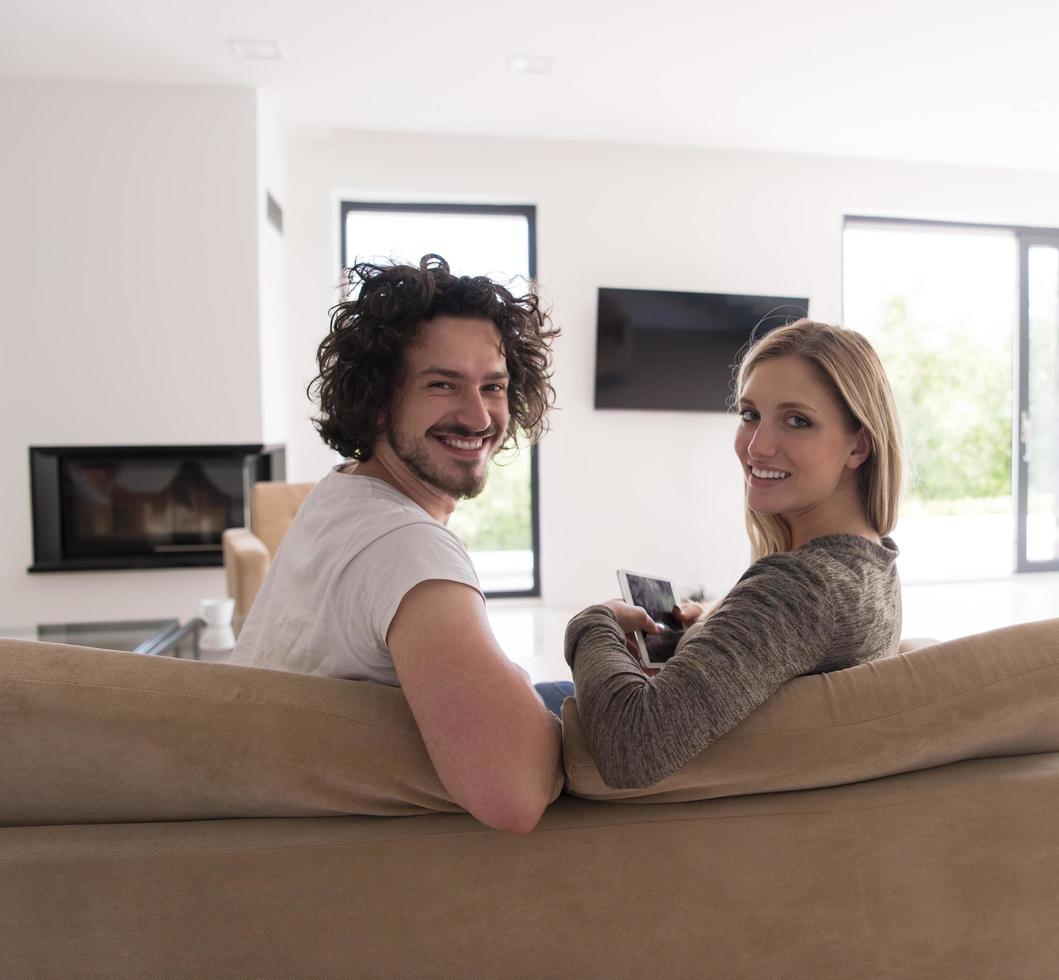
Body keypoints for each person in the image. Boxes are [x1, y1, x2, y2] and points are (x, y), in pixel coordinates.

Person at [231, 254, 564, 833]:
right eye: (442, 385)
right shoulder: (408, 547)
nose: (477, 415)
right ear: (378, 400)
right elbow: (514, 794)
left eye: (493, 386)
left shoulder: (342, 492)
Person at [563, 319, 903, 789]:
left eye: (797, 420)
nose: (757, 446)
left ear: (858, 446)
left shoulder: (799, 589)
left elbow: (632, 747)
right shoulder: (872, 562)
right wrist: (717, 630)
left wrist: (593, 621)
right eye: (749, 414)